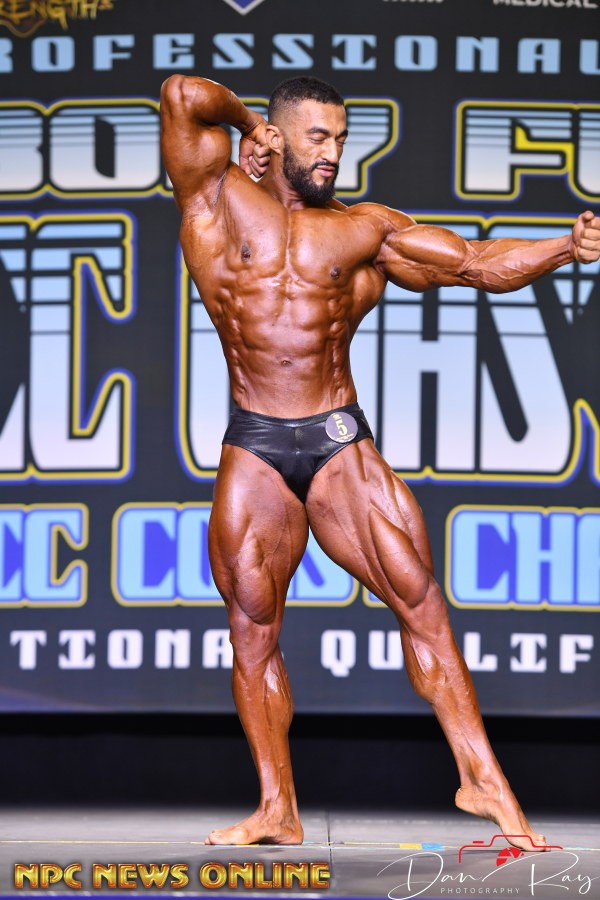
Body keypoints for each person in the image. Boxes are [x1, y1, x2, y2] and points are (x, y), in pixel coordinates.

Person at [160, 74, 600, 848]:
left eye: (340, 137)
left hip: (338, 440)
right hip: (256, 442)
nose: (333, 151)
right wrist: (249, 123)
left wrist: (568, 247)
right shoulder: (215, 198)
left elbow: (478, 263)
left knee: (420, 602)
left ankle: (484, 782)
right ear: (280, 136)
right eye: (317, 137)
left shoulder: (365, 230)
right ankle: (277, 808)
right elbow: (182, 94)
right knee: (253, 628)